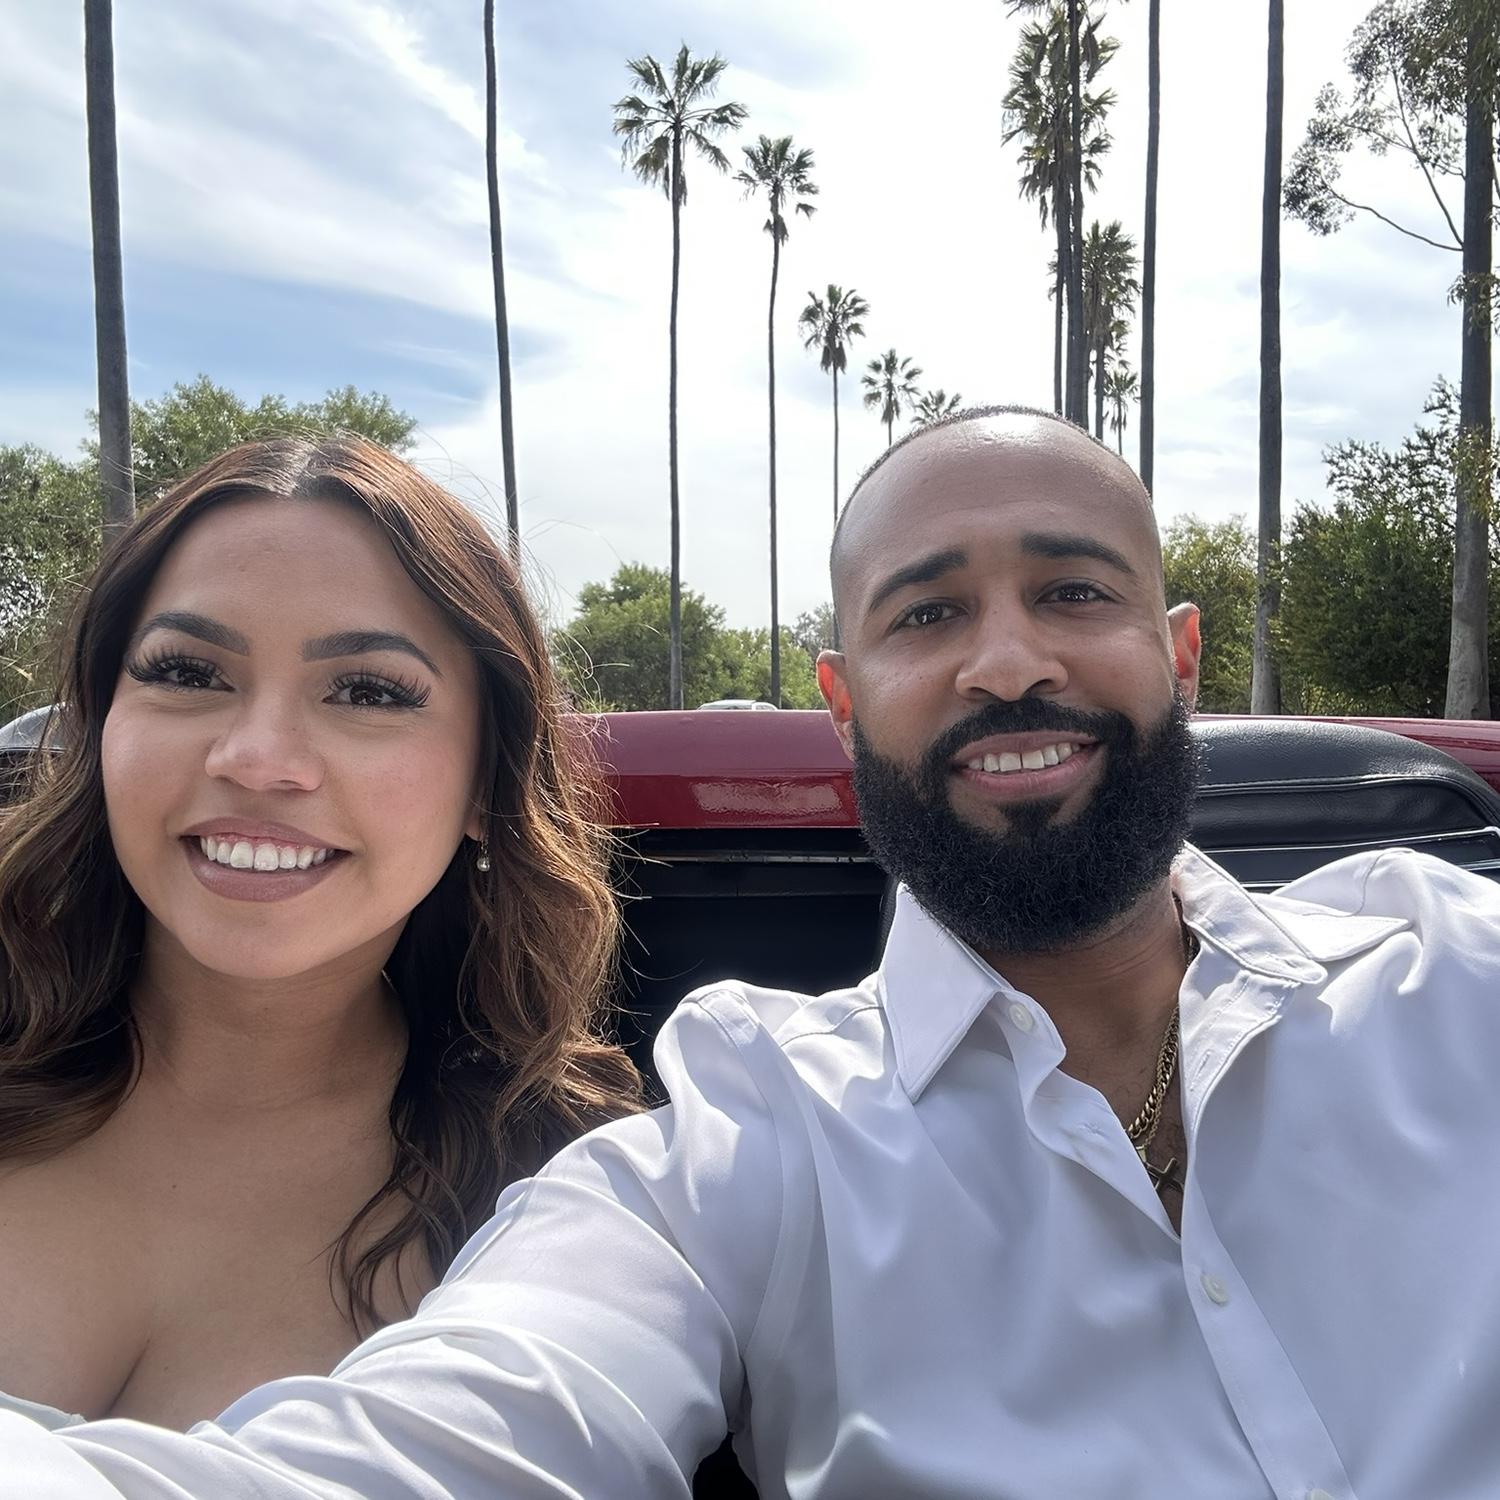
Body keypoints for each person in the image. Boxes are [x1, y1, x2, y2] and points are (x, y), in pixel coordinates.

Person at [10, 407, 1500, 1499]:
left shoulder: (1456, 965)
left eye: (1075, 591)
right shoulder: (732, 1149)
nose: (1008, 659)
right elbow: (454, 1439)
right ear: (843, 702)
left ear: (1178, 655)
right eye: (929, 612)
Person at [0, 436, 640, 1432]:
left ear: (486, 780)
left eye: (369, 691)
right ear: (101, 722)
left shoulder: (575, 1183)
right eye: (187, 671)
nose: (258, 759)